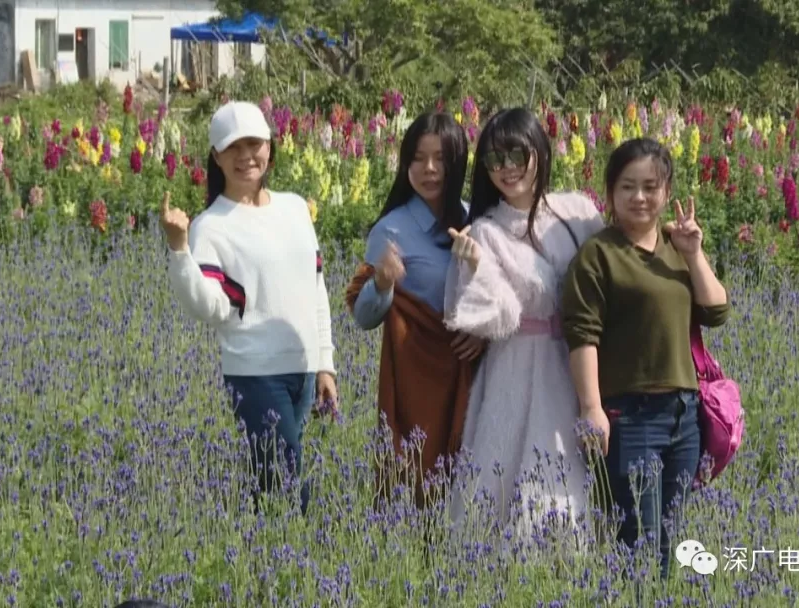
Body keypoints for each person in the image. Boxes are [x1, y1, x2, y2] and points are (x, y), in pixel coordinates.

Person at [560, 137, 730, 576]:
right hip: (631, 417)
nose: (639, 197)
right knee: (638, 536)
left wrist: (694, 253)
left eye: (651, 187)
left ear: (667, 192)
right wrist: (591, 408)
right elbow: (582, 335)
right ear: (610, 192)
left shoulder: (678, 246)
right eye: (628, 187)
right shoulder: (598, 255)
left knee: (669, 535)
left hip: (684, 414)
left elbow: (716, 311)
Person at [160, 100, 338, 516]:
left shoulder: (295, 208)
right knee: (288, 486)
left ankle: (260, 552)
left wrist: (324, 364)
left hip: (303, 369)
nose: (246, 156)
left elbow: (316, 289)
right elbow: (209, 307)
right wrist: (179, 249)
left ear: (270, 147)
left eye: (254, 144)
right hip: (254, 373)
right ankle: (294, 551)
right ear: (216, 156)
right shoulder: (211, 226)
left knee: (271, 484)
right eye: (233, 147)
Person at [442, 107, 607, 539]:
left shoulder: (577, 212)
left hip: (577, 360)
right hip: (516, 366)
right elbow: (501, 316)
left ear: (540, 151)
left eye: (516, 154)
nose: (507, 168)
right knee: (509, 468)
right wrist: (476, 266)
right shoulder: (485, 231)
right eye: (494, 160)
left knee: (572, 467)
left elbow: (611, 272)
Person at [345, 111, 484, 509]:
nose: (429, 169)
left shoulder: (477, 219)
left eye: (440, 158)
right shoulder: (391, 229)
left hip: (474, 374)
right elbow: (364, 316)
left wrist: (481, 330)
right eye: (419, 158)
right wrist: (382, 283)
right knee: (419, 485)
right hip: (420, 383)